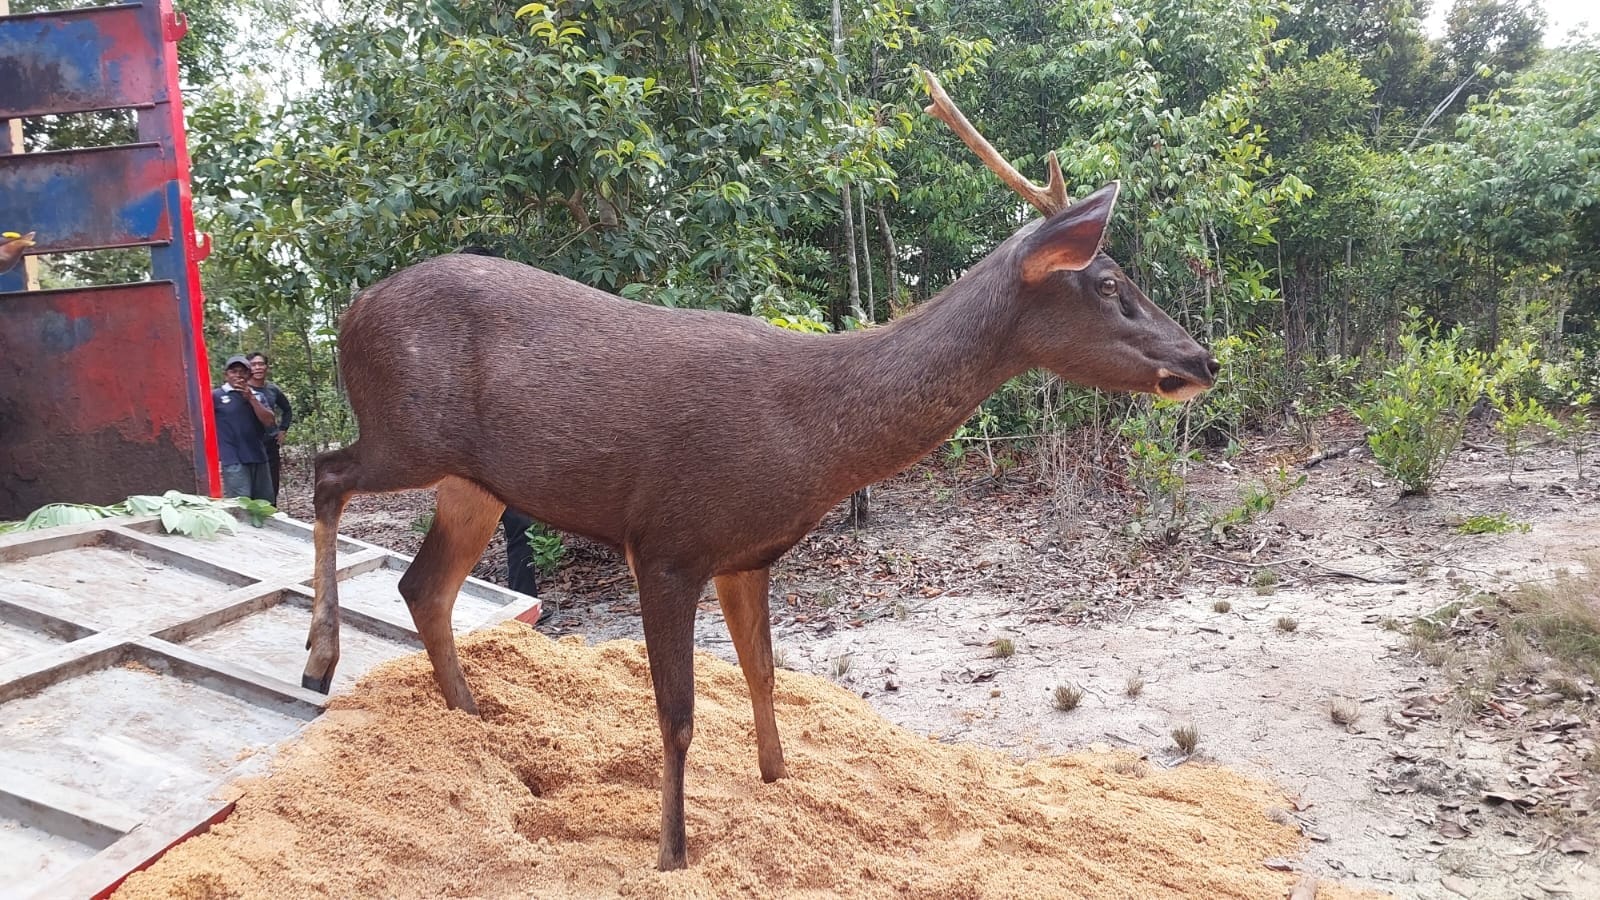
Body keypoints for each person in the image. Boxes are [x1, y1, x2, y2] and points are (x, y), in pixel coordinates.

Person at [212, 354, 276, 501]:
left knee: (265, 503)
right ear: (226, 375)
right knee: (241, 504)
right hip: (233, 458)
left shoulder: (258, 396)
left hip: (258, 456)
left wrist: (251, 398)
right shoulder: (216, 396)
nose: (238, 375)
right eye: (233, 371)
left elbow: (269, 422)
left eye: (243, 371)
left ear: (249, 374)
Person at [247, 351, 294, 502]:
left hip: (270, 443)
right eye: (254, 365)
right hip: (249, 444)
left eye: (261, 364)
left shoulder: (272, 390)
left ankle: (272, 514)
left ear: (266, 367)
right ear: (248, 368)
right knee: (251, 484)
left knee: (272, 483)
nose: (258, 368)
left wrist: (283, 430)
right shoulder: (242, 389)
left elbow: (287, 409)